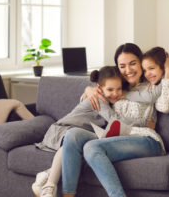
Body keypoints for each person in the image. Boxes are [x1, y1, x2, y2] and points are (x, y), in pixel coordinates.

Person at [60, 44, 169, 197]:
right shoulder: (117, 88)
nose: (128, 70)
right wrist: (89, 89)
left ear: (141, 62)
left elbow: (164, 103)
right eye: (122, 66)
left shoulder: (152, 84)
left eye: (133, 64)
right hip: (116, 138)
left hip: (146, 139)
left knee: (91, 147)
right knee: (72, 135)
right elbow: (102, 85)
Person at [32, 66, 130, 197]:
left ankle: (46, 173)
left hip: (77, 134)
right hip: (61, 129)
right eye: (110, 89)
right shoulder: (98, 100)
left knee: (83, 148)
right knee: (71, 142)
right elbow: (116, 121)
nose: (115, 93)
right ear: (99, 89)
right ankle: (50, 186)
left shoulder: (106, 99)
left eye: (119, 89)